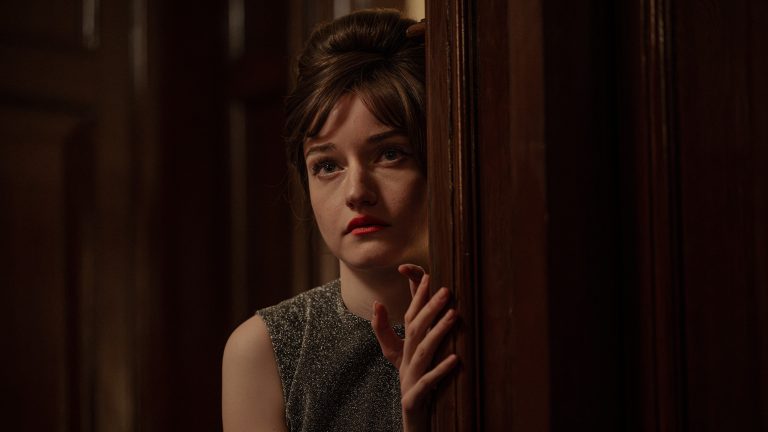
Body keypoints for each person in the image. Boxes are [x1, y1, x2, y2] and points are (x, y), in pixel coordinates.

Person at [222, 9, 458, 432]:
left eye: (390, 154)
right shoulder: (263, 352)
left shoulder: (487, 322)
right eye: (328, 165)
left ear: (437, 163)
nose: (356, 191)